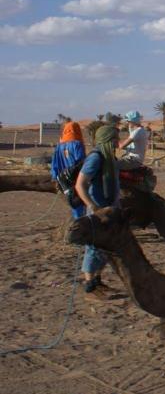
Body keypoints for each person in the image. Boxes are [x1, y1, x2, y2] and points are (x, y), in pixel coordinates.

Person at [74, 124, 121, 300]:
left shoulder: (110, 158)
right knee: (94, 247)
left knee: (106, 247)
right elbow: (80, 185)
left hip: (110, 209)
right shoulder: (96, 158)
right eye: (115, 138)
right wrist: (93, 207)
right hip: (98, 211)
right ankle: (89, 284)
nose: (118, 141)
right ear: (108, 140)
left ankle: (98, 280)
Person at [51, 121, 87, 219]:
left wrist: (55, 178)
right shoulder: (77, 144)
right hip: (76, 178)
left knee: (72, 200)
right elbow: (81, 162)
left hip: (63, 179)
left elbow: (54, 164)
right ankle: (80, 222)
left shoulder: (59, 146)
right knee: (79, 201)